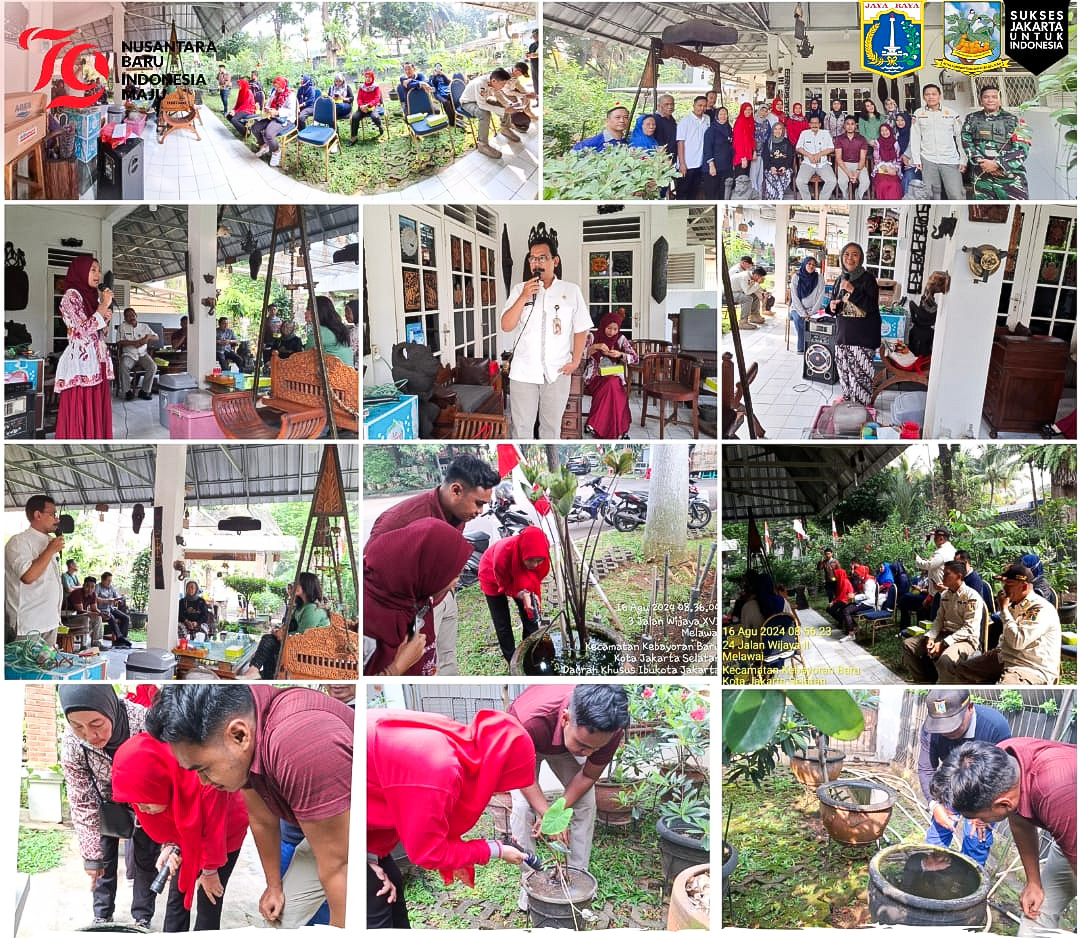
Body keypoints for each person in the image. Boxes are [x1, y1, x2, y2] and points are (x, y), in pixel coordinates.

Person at [146, 684, 353, 929]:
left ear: (239, 735)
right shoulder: (247, 723)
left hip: (364, 822)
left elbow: (340, 865)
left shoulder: (300, 745)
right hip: (327, 830)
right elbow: (262, 820)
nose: (203, 782)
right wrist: (273, 886)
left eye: (203, 769)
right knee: (280, 921)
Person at [367, 708, 534, 929]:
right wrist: (497, 850)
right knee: (379, 898)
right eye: (501, 784)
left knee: (393, 884)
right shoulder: (439, 769)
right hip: (337, 821)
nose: (496, 793)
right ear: (497, 769)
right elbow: (428, 852)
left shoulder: (457, 739)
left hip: (364, 825)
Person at [366, 454, 500, 675]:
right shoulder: (399, 520)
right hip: (410, 614)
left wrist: (448, 587)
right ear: (456, 490)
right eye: (478, 503)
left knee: (443, 658)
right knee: (417, 665)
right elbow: (371, 575)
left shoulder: (459, 513)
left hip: (445, 597)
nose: (480, 512)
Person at [931, 738, 1076, 933]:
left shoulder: (1057, 793)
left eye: (977, 817)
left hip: (1072, 816)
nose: (975, 822)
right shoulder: (1001, 761)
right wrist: (1033, 882)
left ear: (1002, 804)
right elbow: (1019, 818)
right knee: (1036, 918)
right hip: (1071, 832)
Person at [112, 732, 249, 932]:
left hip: (224, 832)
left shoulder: (205, 781)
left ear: (161, 782)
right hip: (188, 834)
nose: (141, 809)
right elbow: (168, 822)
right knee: (178, 894)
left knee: (209, 896)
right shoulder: (159, 789)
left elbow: (213, 833)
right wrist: (171, 845)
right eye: (136, 802)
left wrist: (209, 870)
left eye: (146, 800)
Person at [509, 685, 629, 911]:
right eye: (583, 745)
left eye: (596, 748)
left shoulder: (608, 731)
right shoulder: (529, 721)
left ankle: (576, 879)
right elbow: (522, 777)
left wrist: (557, 811)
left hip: (563, 745)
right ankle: (531, 884)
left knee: (585, 801)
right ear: (565, 718)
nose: (588, 754)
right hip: (528, 740)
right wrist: (547, 813)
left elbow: (588, 774)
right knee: (523, 807)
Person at [58, 686, 158, 929]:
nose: (89, 735)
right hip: (106, 807)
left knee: (146, 862)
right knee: (102, 863)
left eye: (96, 724)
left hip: (147, 805)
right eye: (77, 726)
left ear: (109, 708)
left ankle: (142, 918)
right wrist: (91, 858)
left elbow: (168, 772)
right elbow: (82, 801)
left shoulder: (145, 722)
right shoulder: (73, 743)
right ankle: (102, 915)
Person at [502, 233, 591, 439]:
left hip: (557, 371)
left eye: (542, 257)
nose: (536, 263)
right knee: (521, 429)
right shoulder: (519, 290)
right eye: (532, 258)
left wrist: (576, 360)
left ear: (555, 261)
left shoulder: (571, 291)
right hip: (523, 372)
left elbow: (581, 328)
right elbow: (506, 325)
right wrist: (524, 296)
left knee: (551, 430)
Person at [364, 518, 471, 677]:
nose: (457, 581)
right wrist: (397, 667)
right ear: (426, 572)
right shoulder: (370, 622)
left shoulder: (415, 596)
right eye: (453, 575)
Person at [917, 690, 1011, 867]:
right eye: (941, 727)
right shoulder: (931, 729)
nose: (946, 732)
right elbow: (926, 768)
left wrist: (984, 813)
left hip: (984, 793)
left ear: (970, 707)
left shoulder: (995, 727)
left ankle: (968, 884)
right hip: (952, 785)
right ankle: (931, 882)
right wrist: (934, 805)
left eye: (953, 725)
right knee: (936, 836)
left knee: (976, 838)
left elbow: (1004, 776)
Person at [952, 563, 1061, 685]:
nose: (1004, 589)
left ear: (1024, 587)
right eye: (1004, 584)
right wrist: (998, 650)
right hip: (1005, 658)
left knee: (1004, 687)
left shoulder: (1040, 609)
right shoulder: (1014, 603)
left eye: (1009, 585)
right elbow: (1007, 635)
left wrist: (1003, 610)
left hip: (1030, 668)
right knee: (962, 670)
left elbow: (1017, 641)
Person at [55, 254, 114, 439]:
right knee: (82, 408)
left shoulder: (91, 298)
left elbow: (98, 332)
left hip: (97, 361)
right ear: (80, 271)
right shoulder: (70, 297)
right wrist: (103, 306)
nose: (98, 274)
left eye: (98, 270)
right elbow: (81, 330)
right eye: (92, 269)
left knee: (96, 408)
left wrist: (105, 319)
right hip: (82, 364)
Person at [479, 525, 551, 665]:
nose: (536, 565)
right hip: (492, 575)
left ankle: (530, 653)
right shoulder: (502, 554)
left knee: (530, 614)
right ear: (523, 553)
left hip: (522, 573)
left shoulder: (542, 559)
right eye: (531, 560)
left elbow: (535, 579)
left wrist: (531, 595)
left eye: (539, 560)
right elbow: (504, 585)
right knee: (502, 623)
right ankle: (512, 661)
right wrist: (521, 593)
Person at [902, 561, 984, 682]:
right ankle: (922, 682)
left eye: (947, 574)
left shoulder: (971, 597)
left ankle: (946, 688)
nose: (943, 576)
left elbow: (969, 628)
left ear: (959, 576)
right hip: (944, 634)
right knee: (908, 645)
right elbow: (939, 620)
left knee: (945, 660)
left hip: (966, 640)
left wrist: (943, 643)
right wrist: (930, 637)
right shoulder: (945, 594)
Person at [244, 571, 330, 681]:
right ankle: (265, 673)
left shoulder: (312, 608)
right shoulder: (302, 606)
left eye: (298, 583)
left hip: (310, 650)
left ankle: (255, 671)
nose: (294, 586)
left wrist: (281, 634)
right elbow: (291, 626)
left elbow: (303, 636)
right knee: (270, 640)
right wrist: (279, 631)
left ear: (307, 585)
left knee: (268, 641)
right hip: (299, 644)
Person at [4, 494, 64, 647]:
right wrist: (49, 551)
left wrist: (51, 548)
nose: (57, 519)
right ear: (38, 515)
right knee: (25, 669)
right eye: (52, 514)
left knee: (46, 669)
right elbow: (28, 576)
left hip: (50, 620)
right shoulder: (18, 542)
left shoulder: (50, 541)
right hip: (29, 624)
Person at [828, 242, 880, 404]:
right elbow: (833, 306)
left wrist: (853, 290)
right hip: (843, 337)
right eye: (846, 254)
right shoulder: (840, 279)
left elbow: (871, 306)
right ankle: (849, 410)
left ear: (861, 258)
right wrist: (831, 307)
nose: (850, 258)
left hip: (862, 340)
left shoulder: (868, 279)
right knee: (845, 379)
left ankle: (862, 415)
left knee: (860, 381)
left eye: (854, 254)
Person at [961, 86, 1031, 200]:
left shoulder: (1015, 119)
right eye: (986, 97)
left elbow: (1023, 148)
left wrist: (998, 165)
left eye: (994, 97)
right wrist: (982, 163)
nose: (990, 100)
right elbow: (966, 141)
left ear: (1000, 99)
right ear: (981, 100)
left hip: (1009, 177)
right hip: (981, 177)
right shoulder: (972, 118)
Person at [583, 311, 639, 439]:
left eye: (615, 329)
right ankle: (621, 430)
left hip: (613, 376)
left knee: (613, 386)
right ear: (603, 325)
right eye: (609, 328)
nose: (611, 332)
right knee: (613, 387)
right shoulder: (592, 337)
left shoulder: (621, 339)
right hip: (595, 377)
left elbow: (635, 358)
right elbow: (581, 355)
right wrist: (595, 347)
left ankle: (594, 423)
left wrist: (620, 355)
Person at [910, 84, 966, 199]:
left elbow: (960, 137)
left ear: (939, 96)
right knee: (931, 195)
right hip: (928, 159)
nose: (931, 97)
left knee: (956, 194)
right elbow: (915, 137)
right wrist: (916, 159)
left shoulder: (951, 114)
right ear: (923, 97)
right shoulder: (919, 114)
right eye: (927, 94)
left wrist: (963, 159)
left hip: (950, 159)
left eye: (934, 94)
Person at [898, 526, 956, 629]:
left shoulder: (942, 553)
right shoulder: (951, 550)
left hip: (940, 590)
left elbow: (929, 565)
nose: (933, 540)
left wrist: (918, 558)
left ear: (941, 538)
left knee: (936, 618)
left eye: (934, 537)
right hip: (940, 590)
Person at [251, 76, 296, 168]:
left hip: (286, 119)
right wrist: (267, 109)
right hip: (273, 116)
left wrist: (277, 112)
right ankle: (264, 145)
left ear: (283, 85)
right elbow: (268, 104)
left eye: (278, 87)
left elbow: (291, 111)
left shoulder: (290, 95)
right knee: (255, 128)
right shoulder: (275, 93)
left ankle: (276, 152)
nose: (276, 89)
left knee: (269, 133)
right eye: (275, 87)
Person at [116, 306, 159, 402]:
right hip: (129, 354)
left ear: (136, 315)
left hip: (143, 354)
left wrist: (147, 338)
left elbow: (156, 338)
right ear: (125, 318)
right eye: (128, 316)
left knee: (153, 367)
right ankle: (127, 391)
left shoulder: (144, 326)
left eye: (132, 315)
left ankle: (144, 391)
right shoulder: (122, 327)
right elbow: (119, 342)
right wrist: (133, 343)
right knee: (123, 366)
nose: (131, 317)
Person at [794, 115, 837, 200]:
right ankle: (808, 200)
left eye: (816, 123)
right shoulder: (804, 133)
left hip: (823, 163)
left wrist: (819, 155)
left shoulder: (826, 133)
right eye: (812, 123)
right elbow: (798, 147)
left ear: (820, 124)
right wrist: (809, 155)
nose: (814, 125)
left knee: (832, 181)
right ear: (809, 124)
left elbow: (831, 148)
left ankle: (822, 199)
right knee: (799, 181)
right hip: (808, 163)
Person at [675, 95, 710, 200]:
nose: (702, 108)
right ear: (693, 105)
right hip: (687, 164)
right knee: (682, 193)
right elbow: (680, 142)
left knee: (694, 192)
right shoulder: (685, 121)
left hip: (700, 163)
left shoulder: (707, 119)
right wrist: (682, 163)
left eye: (704, 106)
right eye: (699, 105)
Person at [788, 256, 824, 355]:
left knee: (820, 321)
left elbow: (820, 297)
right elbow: (794, 298)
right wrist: (803, 313)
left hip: (814, 310)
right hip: (796, 309)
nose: (811, 266)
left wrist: (812, 312)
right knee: (800, 319)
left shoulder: (819, 278)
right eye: (809, 264)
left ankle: (813, 346)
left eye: (813, 264)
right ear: (804, 264)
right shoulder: (796, 277)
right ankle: (801, 348)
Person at [305, 296, 352, 366]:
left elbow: (306, 353)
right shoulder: (338, 327)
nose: (306, 312)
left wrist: (310, 322)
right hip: (348, 370)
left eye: (308, 309)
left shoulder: (320, 332)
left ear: (316, 311)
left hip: (336, 373)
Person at [833, 115, 870, 199]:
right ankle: (845, 195)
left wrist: (857, 172)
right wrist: (849, 174)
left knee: (865, 182)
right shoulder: (839, 139)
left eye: (852, 124)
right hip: (844, 164)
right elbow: (838, 158)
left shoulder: (862, 139)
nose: (850, 126)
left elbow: (862, 158)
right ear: (844, 126)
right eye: (847, 124)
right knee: (842, 181)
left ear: (855, 126)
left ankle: (858, 195)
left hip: (859, 164)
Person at [703, 106, 734, 199]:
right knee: (712, 194)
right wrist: (711, 166)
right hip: (714, 168)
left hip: (726, 168)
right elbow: (707, 148)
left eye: (725, 114)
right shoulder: (711, 130)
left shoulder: (729, 128)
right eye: (721, 114)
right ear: (716, 116)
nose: (723, 116)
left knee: (723, 194)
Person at [95, 572, 132, 648]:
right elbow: (95, 598)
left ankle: (121, 639)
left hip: (111, 608)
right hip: (101, 609)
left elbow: (116, 596)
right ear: (103, 580)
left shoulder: (111, 587)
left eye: (110, 580)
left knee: (126, 618)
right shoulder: (97, 587)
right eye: (108, 580)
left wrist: (118, 600)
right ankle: (119, 638)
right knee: (111, 617)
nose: (110, 582)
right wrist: (107, 600)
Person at [346, 70, 384, 143]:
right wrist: (361, 106)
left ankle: (380, 126)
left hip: (372, 107)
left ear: (372, 78)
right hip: (362, 108)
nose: (367, 79)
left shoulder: (376, 87)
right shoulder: (362, 87)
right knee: (355, 117)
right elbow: (359, 98)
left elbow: (376, 99)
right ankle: (354, 137)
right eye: (366, 77)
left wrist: (368, 105)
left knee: (375, 117)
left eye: (369, 77)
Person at [762, 120, 795, 200]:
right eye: (775, 129)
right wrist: (771, 167)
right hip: (771, 168)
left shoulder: (787, 142)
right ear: (773, 130)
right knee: (773, 178)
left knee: (786, 174)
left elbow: (790, 157)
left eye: (780, 129)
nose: (777, 131)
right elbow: (765, 157)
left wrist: (784, 167)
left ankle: (773, 198)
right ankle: (779, 196)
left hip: (784, 168)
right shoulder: (768, 142)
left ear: (783, 130)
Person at [729, 265, 767, 331]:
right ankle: (743, 322)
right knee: (748, 298)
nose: (762, 280)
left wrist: (763, 294)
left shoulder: (750, 276)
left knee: (755, 296)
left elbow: (755, 290)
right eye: (761, 278)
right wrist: (757, 283)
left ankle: (754, 316)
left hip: (737, 292)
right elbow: (747, 292)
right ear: (757, 276)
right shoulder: (744, 277)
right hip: (729, 293)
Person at [871, 122, 904, 199]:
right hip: (881, 168)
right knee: (883, 183)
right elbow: (876, 160)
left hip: (893, 167)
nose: (884, 132)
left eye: (886, 130)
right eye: (882, 131)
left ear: (890, 131)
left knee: (895, 184)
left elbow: (899, 159)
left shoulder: (895, 143)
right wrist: (884, 167)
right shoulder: (877, 142)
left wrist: (895, 169)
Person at [731, 102, 758, 185]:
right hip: (741, 157)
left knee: (745, 179)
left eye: (750, 109)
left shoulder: (750, 121)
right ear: (742, 110)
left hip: (748, 155)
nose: (748, 111)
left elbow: (752, 138)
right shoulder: (740, 122)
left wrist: (754, 151)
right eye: (746, 109)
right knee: (740, 180)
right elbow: (738, 141)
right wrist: (743, 158)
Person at [526, 28, 540, 95]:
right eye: (533, 36)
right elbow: (530, 54)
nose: (534, 37)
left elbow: (537, 54)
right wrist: (528, 55)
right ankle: (538, 99)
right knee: (535, 82)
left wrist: (534, 55)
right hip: (533, 65)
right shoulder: (532, 45)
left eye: (536, 35)